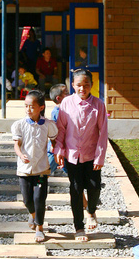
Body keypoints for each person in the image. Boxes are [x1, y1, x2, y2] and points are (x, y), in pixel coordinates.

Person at [54, 68, 108, 241]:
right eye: (78, 85)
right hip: (72, 155)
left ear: (92, 85)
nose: (82, 88)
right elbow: (61, 129)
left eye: (86, 85)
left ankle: (91, 211)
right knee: (76, 189)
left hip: (91, 155)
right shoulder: (66, 103)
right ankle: (79, 227)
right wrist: (59, 149)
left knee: (94, 186)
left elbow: (103, 133)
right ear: (73, 85)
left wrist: (100, 156)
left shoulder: (98, 105)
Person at [11, 90, 58, 243]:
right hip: (24, 170)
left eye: (31, 106)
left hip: (41, 169)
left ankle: (39, 228)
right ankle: (33, 215)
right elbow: (17, 144)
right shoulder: (19, 125)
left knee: (39, 198)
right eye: (26, 106)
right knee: (27, 199)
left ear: (41, 107)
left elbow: (54, 141)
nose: (28, 109)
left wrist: (56, 152)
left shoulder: (48, 125)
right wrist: (20, 155)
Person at [47, 83, 69, 173]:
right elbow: (54, 131)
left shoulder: (65, 110)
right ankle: (39, 180)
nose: (69, 95)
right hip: (56, 146)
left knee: (69, 167)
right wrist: (54, 145)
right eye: (66, 93)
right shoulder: (57, 112)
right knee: (47, 169)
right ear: (58, 98)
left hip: (65, 145)